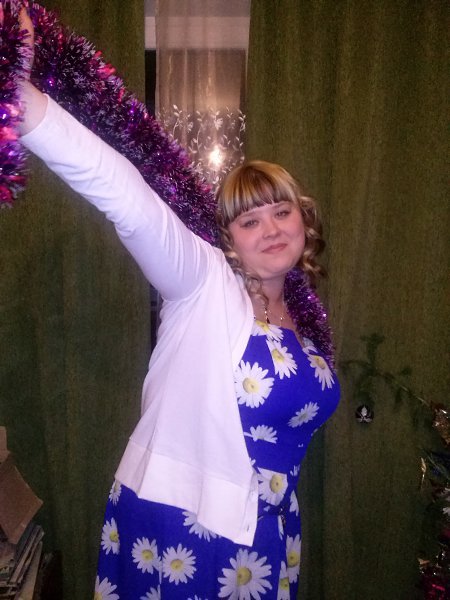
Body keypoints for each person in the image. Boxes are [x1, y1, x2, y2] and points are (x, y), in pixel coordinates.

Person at [15, 7, 340, 599]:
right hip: (186, 524)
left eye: (281, 211)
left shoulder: (304, 318)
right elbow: (125, 194)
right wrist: (21, 101)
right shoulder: (203, 283)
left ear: (304, 220)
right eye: (249, 220)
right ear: (228, 239)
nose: (270, 228)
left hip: (269, 527)